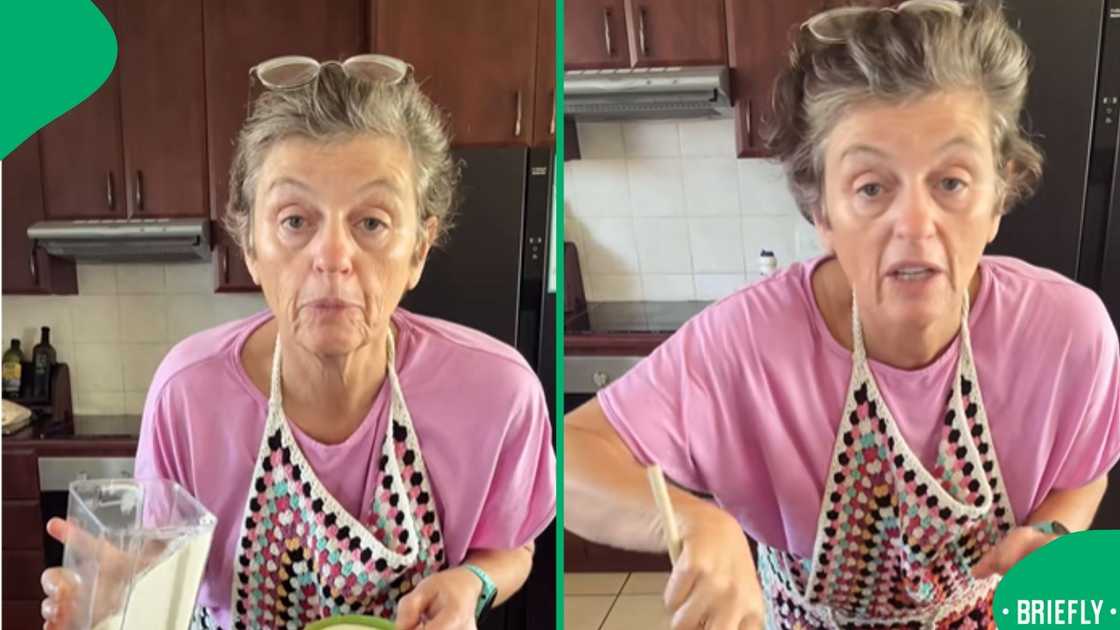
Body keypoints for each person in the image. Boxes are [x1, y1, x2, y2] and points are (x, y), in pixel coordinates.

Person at [565, 2, 1120, 628]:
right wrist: (696, 523)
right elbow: (567, 456)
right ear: (821, 211)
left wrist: (1055, 533)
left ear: (999, 196)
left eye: (952, 182)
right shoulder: (745, 347)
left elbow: (1084, 471)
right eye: (871, 188)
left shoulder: (1070, 334)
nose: (914, 225)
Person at [41, 55, 555, 630]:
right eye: (294, 220)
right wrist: (118, 602)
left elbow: (513, 548)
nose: (332, 259)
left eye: (371, 223)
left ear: (419, 248)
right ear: (251, 246)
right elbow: (162, 572)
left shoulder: (498, 393)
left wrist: (472, 582)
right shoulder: (188, 395)